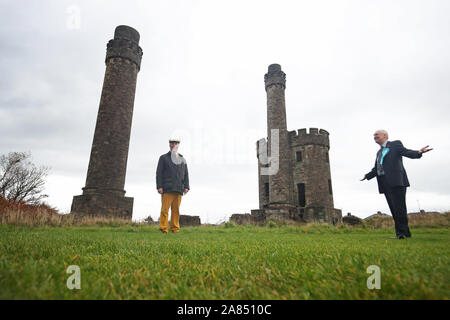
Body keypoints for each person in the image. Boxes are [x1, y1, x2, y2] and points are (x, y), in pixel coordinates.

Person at [361, 130, 432, 239]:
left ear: (384, 136)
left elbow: (406, 152)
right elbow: (377, 168)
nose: (374, 136)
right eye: (373, 135)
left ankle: (402, 233)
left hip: (396, 181)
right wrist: (367, 176)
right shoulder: (379, 152)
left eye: (376, 135)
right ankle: (404, 233)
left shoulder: (395, 145)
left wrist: (418, 152)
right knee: (394, 209)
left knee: (400, 208)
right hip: (385, 183)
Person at [156, 138, 190, 234]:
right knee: (165, 210)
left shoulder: (182, 159)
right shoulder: (163, 158)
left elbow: (186, 174)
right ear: (169, 145)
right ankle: (163, 229)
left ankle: (174, 229)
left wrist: (186, 186)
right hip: (167, 188)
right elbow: (159, 173)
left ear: (178, 145)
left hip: (179, 189)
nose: (174, 145)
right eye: (172, 143)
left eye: (176, 143)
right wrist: (159, 186)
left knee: (176, 211)